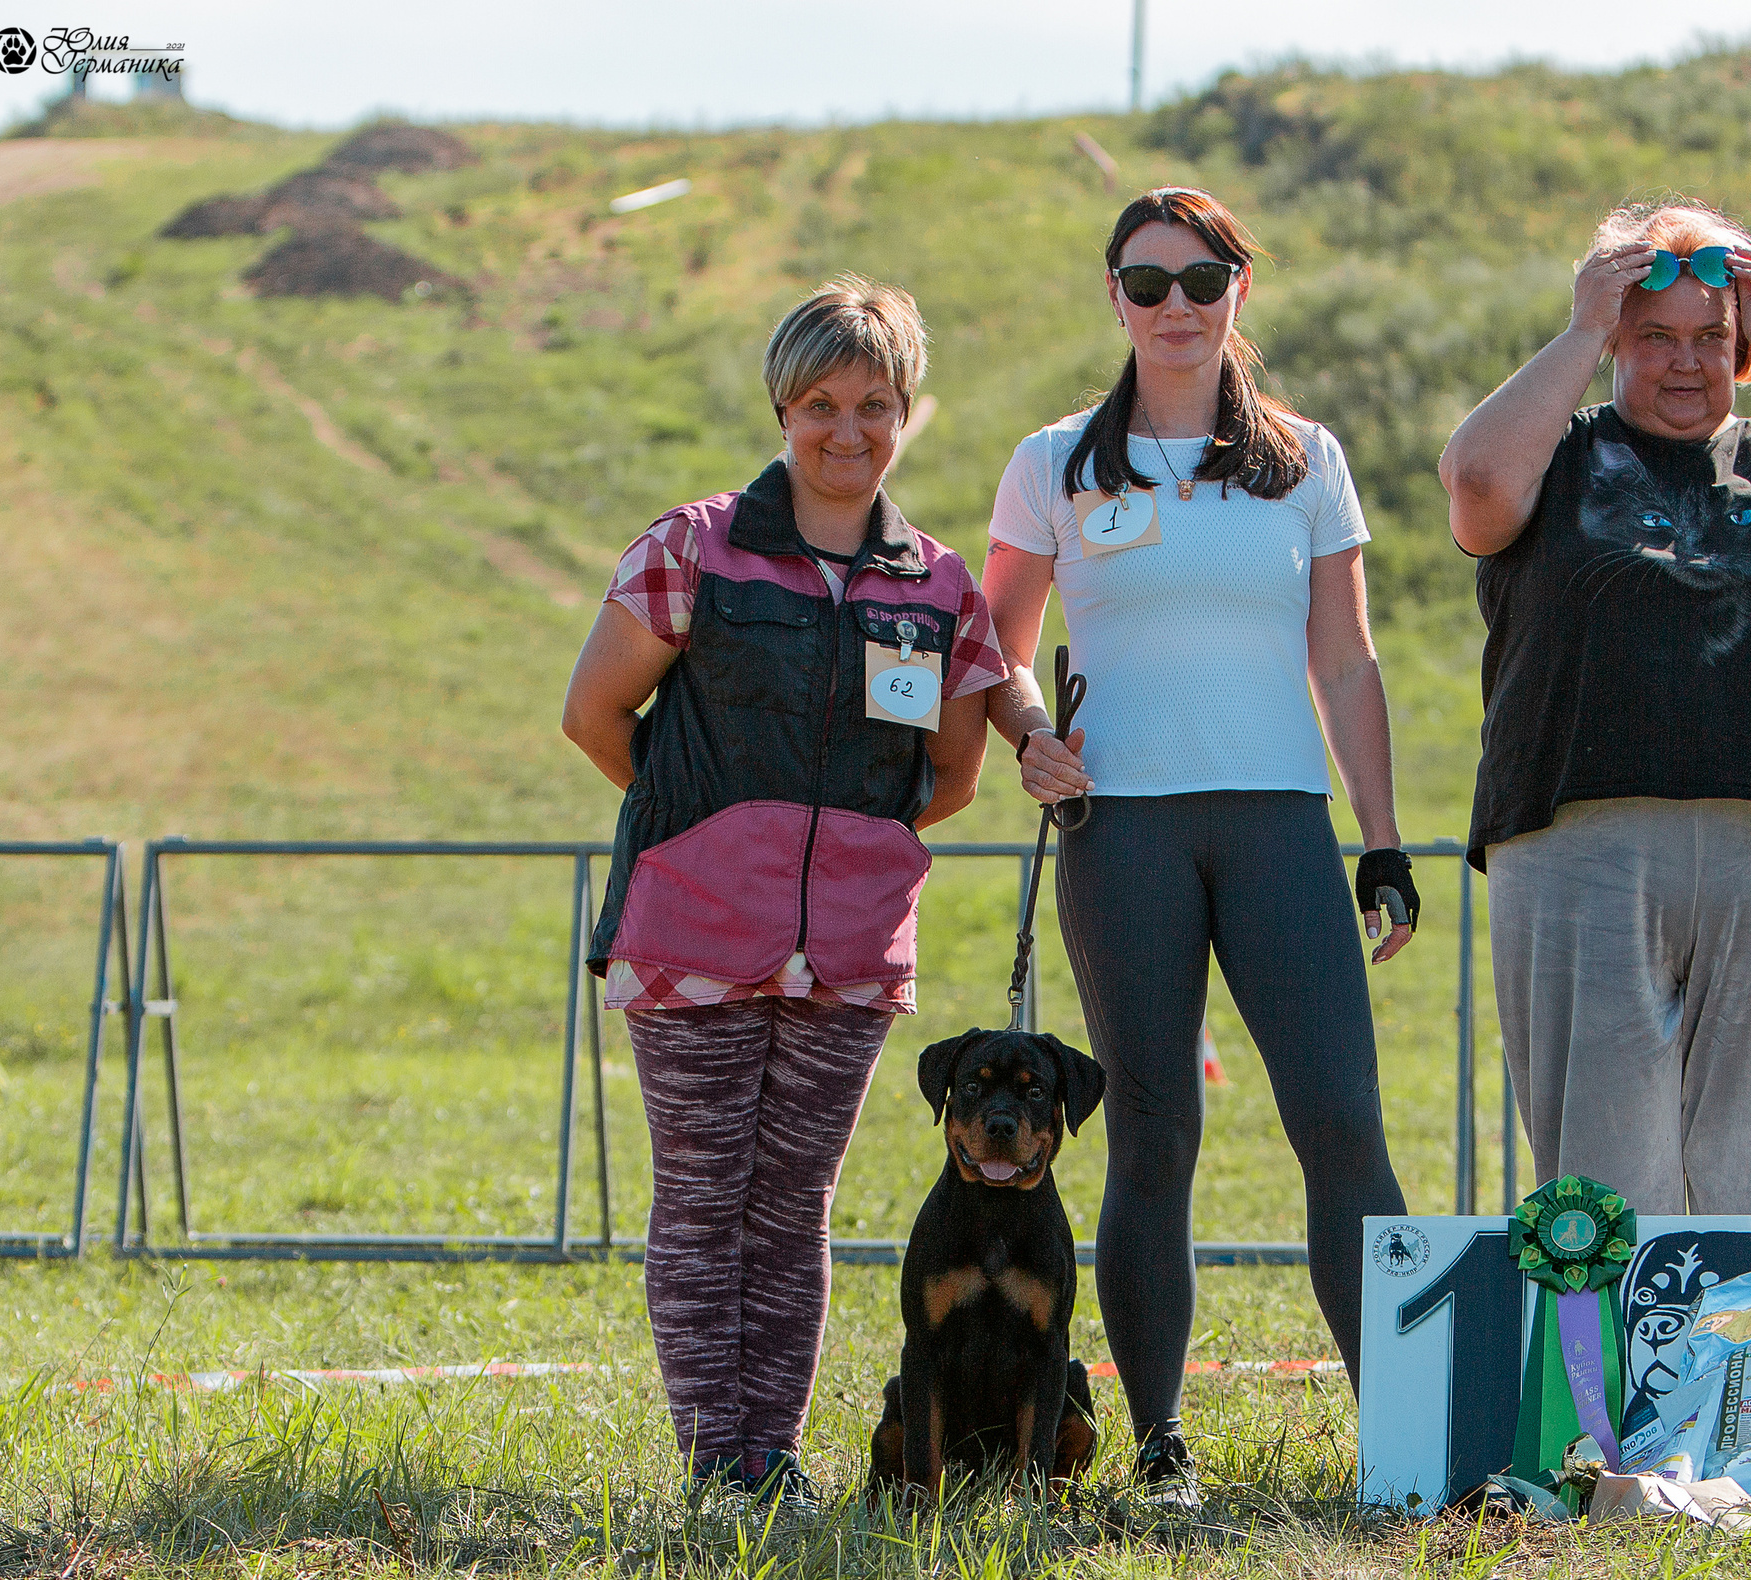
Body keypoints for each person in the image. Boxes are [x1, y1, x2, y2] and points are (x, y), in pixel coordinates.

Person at [982, 187, 1416, 1510]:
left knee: (1341, 1121)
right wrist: (1032, 735)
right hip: (1123, 833)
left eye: (1202, 278)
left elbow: (1344, 659)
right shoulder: (1054, 459)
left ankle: (1406, 1433)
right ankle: (1161, 1440)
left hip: (1281, 819)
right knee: (1154, 1132)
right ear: (1113, 297)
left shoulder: (1306, 460)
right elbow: (993, 642)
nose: (1177, 304)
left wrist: (1382, 838)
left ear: (1240, 289)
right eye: (1148, 280)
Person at [561, 276, 1006, 1505]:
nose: (847, 430)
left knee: (794, 1206)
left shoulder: (936, 584)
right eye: (820, 403)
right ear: (781, 408)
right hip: (691, 936)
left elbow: (955, 774)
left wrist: (846, 853)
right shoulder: (693, 546)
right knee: (704, 1203)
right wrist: (701, 824)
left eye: (875, 403)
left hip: (852, 953)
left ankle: (778, 1458)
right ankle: (718, 1467)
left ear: (907, 412)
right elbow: (595, 716)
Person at [1439, 197, 1751, 1219]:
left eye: (1713, 337)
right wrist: (1579, 327)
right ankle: (1595, 1381)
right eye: (1653, 337)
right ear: (1615, 337)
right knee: (1602, 1175)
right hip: (1578, 839)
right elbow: (1476, 484)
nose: (1685, 362)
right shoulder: (1551, 452)